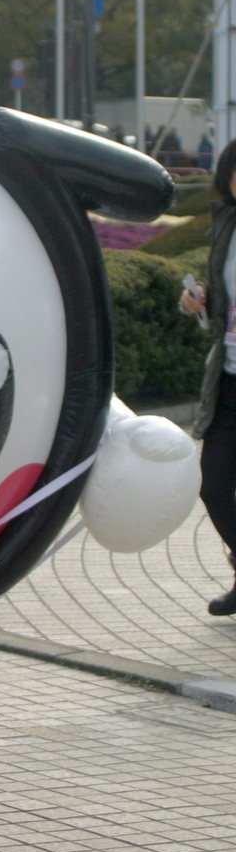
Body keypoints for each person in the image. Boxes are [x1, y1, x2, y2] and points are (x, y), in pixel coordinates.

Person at [181, 138, 236, 614]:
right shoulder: (228, 225)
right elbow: (222, 298)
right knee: (213, 483)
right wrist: (198, 299)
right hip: (229, 376)